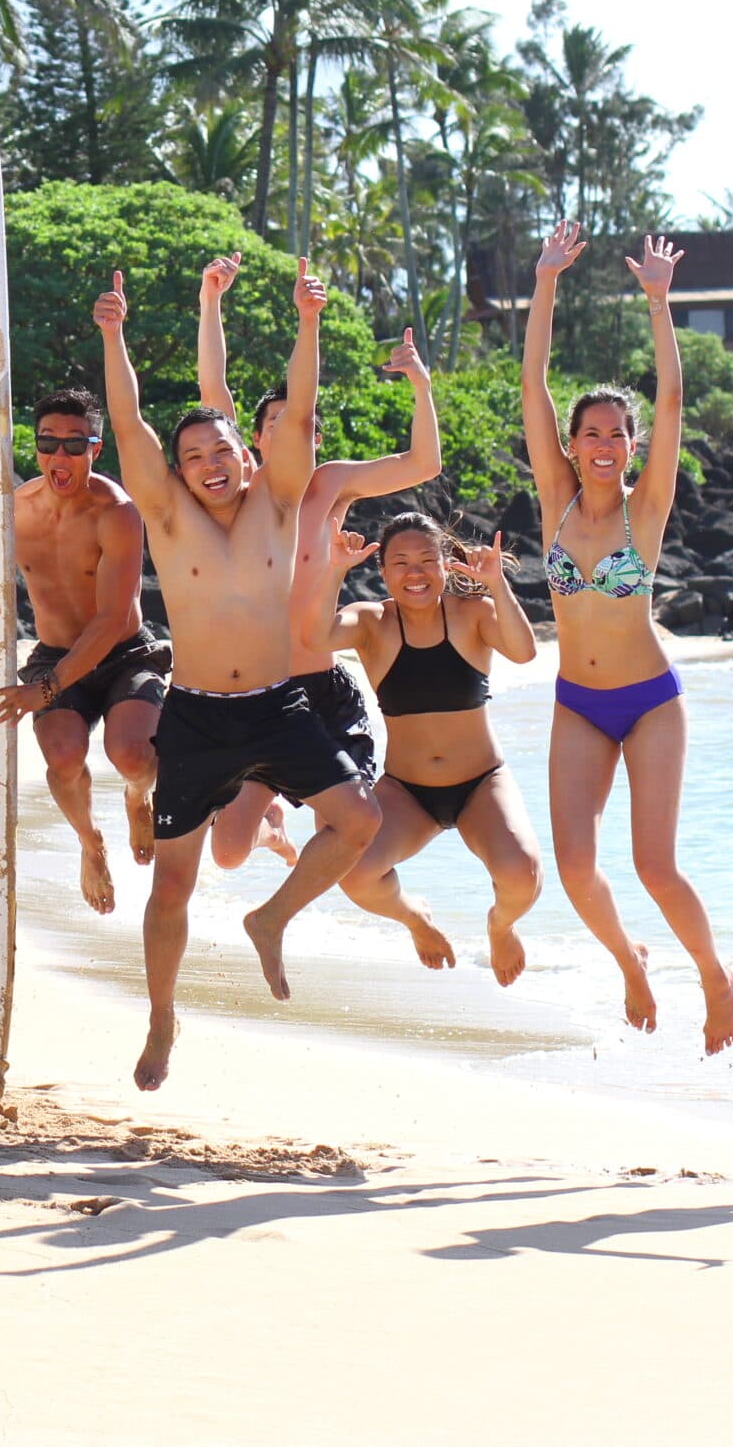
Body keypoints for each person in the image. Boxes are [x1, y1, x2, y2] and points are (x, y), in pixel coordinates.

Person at [93, 262, 349, 1091]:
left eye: (220, 448)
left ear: (251, 454)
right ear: (177, 470)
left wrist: (308, 320)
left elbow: (302, 410)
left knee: (360, 819)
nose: (208, 462)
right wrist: (113, 333)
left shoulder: (281, 505)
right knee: (173, 884)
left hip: (278, 706)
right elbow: (128, 422)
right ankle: (163, 1013)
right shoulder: (167, 519)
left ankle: (270, 918)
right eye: (191, 454)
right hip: (199, 716)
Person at [523, 222, 733, 1054]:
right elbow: (532, 381)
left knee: (655, 865)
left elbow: (674, 399)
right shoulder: (556, 501)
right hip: (578, 701)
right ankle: (630, 963)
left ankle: (715, 975)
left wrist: (660, 302)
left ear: (633, 446)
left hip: (650, 701)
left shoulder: (646, 512)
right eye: (593, 433)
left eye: (619, 433)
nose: (606, 444)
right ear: (573, 447)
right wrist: (546, 281)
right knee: (575, 869)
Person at [195, 255, 446, 958]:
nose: (295, 433)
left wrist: (421, 384)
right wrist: (211, 300)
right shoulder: (242, 498)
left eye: (304, 426)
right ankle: (271, 820)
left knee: (353, 834)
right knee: (229, 853)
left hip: (323, 696)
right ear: (256, 440)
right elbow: (213, 391)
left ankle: (405, 915)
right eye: (279, 423)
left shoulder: (332, 486)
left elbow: (423, 464)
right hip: (258, 697)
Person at [311, 514, 545, 984]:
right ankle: (415, 918)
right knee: (353, 873)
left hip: (482, 783)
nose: (414, 573)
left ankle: (499, 926)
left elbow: (524, 651)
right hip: (409, 792)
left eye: (425, 561)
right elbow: (316, 638)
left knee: (522, 875)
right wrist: (334, 570)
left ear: (444, 564)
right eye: (400, 562)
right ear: (382, 569)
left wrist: (497, 585)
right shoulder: (371, 621)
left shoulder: (471, 613)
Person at [0, 385, 167, 915]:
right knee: (63, 756)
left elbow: (112, 619)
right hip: (54, 650)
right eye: (48, 444)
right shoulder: (12, 513)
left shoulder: (117, 513)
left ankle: (138, 796)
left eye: (73, 445)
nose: (58, 457)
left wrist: (42, 690)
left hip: (125, 652)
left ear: (96, 446)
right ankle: (90, 843)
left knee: (131, 754)